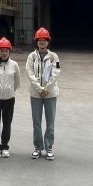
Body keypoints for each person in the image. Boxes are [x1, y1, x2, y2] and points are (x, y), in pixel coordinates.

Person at [25, 27, 60, 160]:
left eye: (44, 40)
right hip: (36, 94)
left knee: (50, 122)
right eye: (39, 40)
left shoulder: (54, 57)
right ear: (36, 41)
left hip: (50, 94)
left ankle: (49, 147)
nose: (42, 42)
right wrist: (40, 89)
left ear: (48, 41)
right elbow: (29, 73)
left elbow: (56, 73)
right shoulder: (31, 57)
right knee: (36, 122)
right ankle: (38, 147)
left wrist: (47, 89)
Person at [0, 37, 20, 158]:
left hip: (9, 99)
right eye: (1, 51)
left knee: (7, 123)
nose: (4, 53)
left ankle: (5, 146)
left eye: (6, 51)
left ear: (9, 51)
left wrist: (9, 91)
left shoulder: (14, 65)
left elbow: (17, 82)